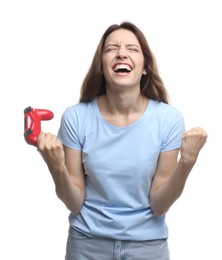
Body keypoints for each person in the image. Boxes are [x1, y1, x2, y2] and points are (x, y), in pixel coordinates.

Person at [37, 21, 208, 260]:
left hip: (147, 247)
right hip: (87, 245)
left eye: (132, 48)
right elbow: (74, 202)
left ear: (145, 67)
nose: (121, 53)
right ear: (102, 66)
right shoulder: (76, 117)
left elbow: (159, 204)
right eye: (111, 49)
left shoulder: (168, 119)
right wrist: (56, 167)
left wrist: (186, 164)